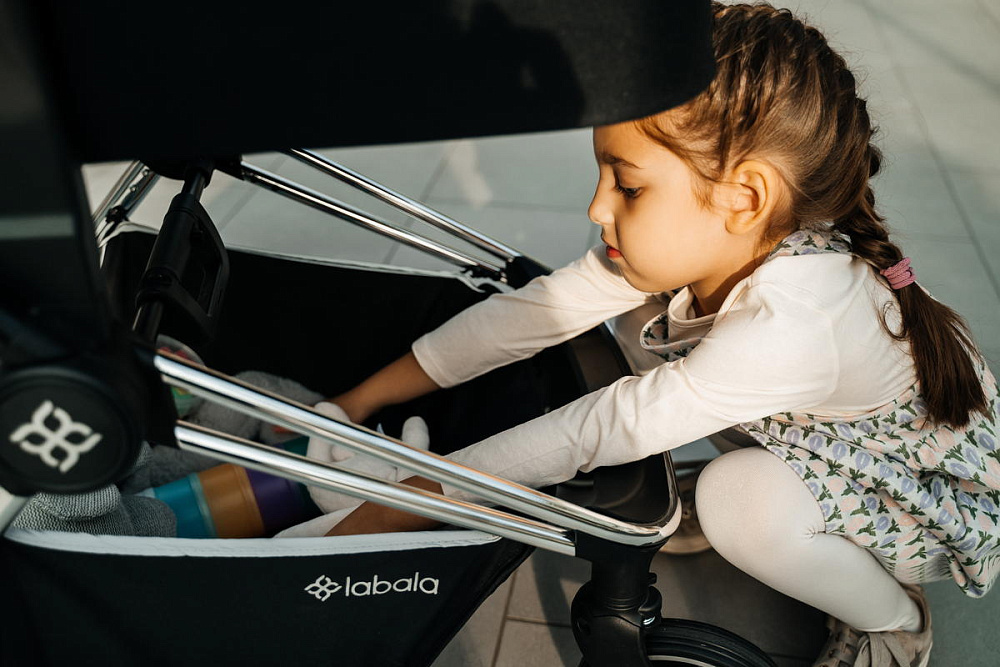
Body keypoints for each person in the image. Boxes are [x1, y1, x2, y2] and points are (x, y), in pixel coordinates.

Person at [309, 4, 999, 665]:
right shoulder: (731, 236)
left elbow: (598, 428)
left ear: (745, 197)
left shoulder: (797, 320)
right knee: (642, 324)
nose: (596, 207)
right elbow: (531, 314)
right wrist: (361, 399)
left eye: (628, 186)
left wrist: (411, 501)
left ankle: (895, 621)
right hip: (823, 431)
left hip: (917, 494)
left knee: (738, 502)